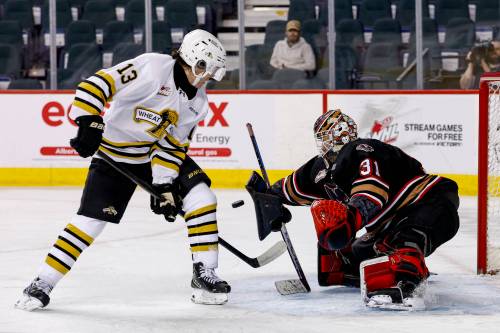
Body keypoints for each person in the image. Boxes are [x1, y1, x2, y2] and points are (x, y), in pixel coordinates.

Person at [15, 29, 231, 310]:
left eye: (212, 71)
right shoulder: (153, 68)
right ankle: (42, 282)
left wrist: (164, 185)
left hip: (150, 155)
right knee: (90, 223)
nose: (206, 76)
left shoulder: (198, 104)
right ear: (189, 56)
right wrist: (89, 121)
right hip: (113, 156)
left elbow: (173, 147)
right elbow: (97, 85)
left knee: (203, 198)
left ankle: (205, 274)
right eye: (204, 67)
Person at [265, 110, 459, 309]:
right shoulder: (322, 168)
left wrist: (350, 219)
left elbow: (371, 193)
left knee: (407, 238)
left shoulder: (362, 150)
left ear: (339, 134)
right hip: (391, 221)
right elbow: (295, 186)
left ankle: (407, 284)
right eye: (320, 139)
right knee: (361, 250)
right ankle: (355, 270)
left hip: (429, 201)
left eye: (325, 138)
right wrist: (268, 195)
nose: (322, 144)